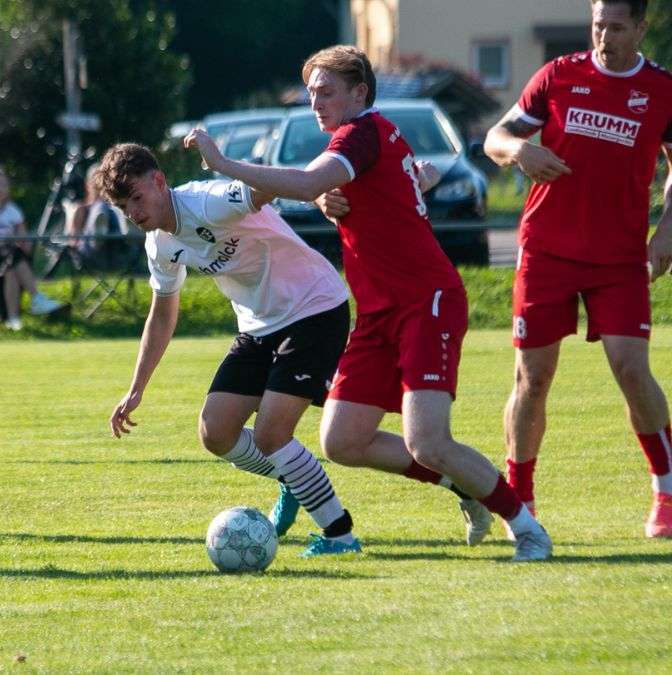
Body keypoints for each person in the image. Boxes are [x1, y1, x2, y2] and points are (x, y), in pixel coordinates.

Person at [187, 45, 553, 561]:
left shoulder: (360, 133)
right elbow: (390, 183)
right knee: (342, 440)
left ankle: (526, 527)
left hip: (426, 301)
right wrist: (345, 193)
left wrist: (224, 163)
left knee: (428, 441)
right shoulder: (369, 138)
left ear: (360, 93)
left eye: (326, 91)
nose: (316, 102)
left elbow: (310, 182)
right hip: (379, 313)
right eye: (311, 92)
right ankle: (467, 485)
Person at [99, 142, 361, 557]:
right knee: (216, 431)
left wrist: (312, 190)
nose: (133, 212)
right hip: (259, 326)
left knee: (274, 435)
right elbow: (162, 316)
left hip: (313, 307)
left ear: (159, 181)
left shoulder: (208, 201)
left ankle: (340, 536)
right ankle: (293, 476)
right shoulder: (159, 245)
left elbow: (265, 188)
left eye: (136, 197)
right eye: (123, 206)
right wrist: (136, 388)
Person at [484, 0, 672, 538]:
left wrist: (666, 231)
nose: (604, 37)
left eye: (617, 27)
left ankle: (666, 491)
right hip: (546, 251)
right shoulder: (558, 76)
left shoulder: (662, 90)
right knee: (532, 378)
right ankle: (521, 502)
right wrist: (520, 152)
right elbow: (496, 137)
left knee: (631, 369)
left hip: (619, 257)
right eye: (598, 25)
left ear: (640, 28)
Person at [0, 165, 64, 330]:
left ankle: (13, 320)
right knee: (13, 258)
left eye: (3, 184)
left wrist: (14, 243)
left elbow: (24, 244)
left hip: (8, 257)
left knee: (11, 266)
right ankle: (35, 298)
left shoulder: (13, 211)